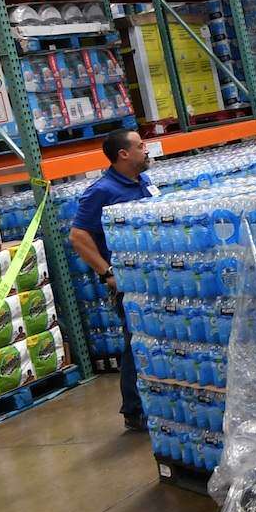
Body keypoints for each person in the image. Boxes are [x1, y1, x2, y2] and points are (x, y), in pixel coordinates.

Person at [70, 129, 155, 433]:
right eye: (140, 145)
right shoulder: (101, 191)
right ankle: (134, 411)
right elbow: (78, 236)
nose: (146, 149)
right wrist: (108, 273)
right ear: (124, 154)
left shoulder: (143, 182)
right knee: (136, 343)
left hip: (152, 277)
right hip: (127, 281)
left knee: (150, 341)